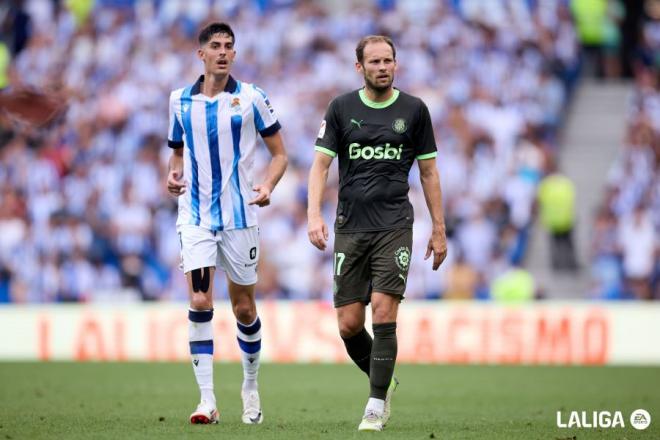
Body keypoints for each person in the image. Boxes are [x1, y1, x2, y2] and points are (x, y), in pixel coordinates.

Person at [307, 35, 447, 432]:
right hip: (350, 226)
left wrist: (439, 229)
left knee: (384, 310)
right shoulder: (341, 108)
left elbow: (429, 171)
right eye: (375, 62)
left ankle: (375, 403)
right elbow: (319, 167)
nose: (383, 67)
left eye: (389, 61)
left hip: (394, 226)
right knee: (349, 325)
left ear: (395, 65)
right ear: (360, 67)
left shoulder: (414, 110)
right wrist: (313, 214)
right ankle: (383, 379)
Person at [165, 22, 287, 425]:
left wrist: (267, 184)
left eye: (229, 46)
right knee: (200, 301)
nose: (222, 52)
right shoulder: (179, 101)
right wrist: (173, 173)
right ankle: (207, 401)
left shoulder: (252, 98)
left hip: (240, 217)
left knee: (243, 307)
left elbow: (280, 155)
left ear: (234, 54)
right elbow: (177, 153)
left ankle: (250, 385)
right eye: (215, 46)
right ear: (200, 54)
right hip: (196, 217)